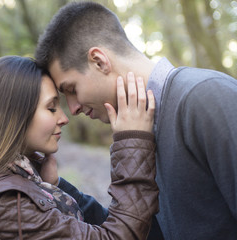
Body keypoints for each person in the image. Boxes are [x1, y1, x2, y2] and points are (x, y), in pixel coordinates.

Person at [35, 1, 237, 239]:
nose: (73, 108)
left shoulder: (206, 97)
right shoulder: (139, 130)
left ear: (99, 61)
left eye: (71, 89)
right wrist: (60, 186)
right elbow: (147, 233)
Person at [0, 55, 158, 240]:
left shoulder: (5, 186)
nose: (64, 117)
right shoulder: (6, 207)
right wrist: (132, 142)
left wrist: (54, 186)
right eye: (51, 107)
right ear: (14, 117)